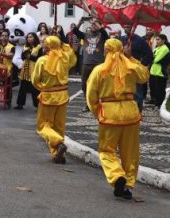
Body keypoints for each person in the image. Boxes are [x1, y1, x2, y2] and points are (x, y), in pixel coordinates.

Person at [86, 39, 149, 200]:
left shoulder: (99, 70)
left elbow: (91, 95)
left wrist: (97, 112)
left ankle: (116, 175)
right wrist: (131, 58)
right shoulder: (131, 67)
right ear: (122, 50)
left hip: (109, 114)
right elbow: (144, 76)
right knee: (130, 152)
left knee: (107, 150)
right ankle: (127, 185)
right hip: (131, 114)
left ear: (106, 51)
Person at [31, 36, 77, 163]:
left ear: (47, 46)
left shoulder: (42, 60)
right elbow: (73, 59)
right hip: (62, 96)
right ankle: (57, 154)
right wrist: (65, 46)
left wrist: (42, 88)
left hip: (48, 97)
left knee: (43, 126)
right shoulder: (65, 58)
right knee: (59, 127)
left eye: (45, 43)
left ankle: (57, 143)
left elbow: (35, 80)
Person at [71, 17, 108, 99]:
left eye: (95, 25)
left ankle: (98, 101)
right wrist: (80, 21)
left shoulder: (102, 35)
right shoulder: (86, 35)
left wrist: (96, 22)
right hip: (86, 63)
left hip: (98, 64)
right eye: (92, 25)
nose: (93, 26)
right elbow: (75, 31)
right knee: (85, 84)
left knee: (98, 83)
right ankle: (88, 103)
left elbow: (106, 35)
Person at [15, 32, 41, 109]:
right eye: (28, 37)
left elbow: (39, 59)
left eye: (31, 37)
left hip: (34, 69)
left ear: (35, 38)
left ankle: (38, 105)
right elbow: (22, 57)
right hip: (25, 69)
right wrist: (26, 55)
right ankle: (20, 104)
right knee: (22, 87)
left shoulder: (39, 47)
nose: (29, 39)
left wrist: (30, 56)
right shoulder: (25, 46)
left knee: (35, 88)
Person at [148, 34, 169, 107]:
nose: (157, 41)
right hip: (153, 71)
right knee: (152, 87)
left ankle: (160, 103)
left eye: (158, 39)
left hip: (160, 72)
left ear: (163, 40)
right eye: (156, 39)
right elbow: (152, 57)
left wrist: (152, 59)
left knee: (160, 89)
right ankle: (154, 100)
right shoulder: (157, 48)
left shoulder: (165, 49)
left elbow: (156, 59)